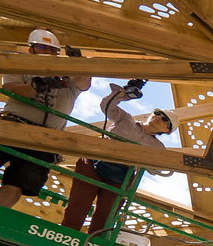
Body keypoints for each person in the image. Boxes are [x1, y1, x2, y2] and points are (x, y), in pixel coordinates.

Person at [0, 29, 92, 208]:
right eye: (42, 47)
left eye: (53, 50)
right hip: (13, 125)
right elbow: (14, 89)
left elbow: (84, 81)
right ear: (31, 50)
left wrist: (79, 64)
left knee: (18, 184)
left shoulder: (67, 78)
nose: (48, 52)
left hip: (44, 139)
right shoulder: (19, 68)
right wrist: (38, 85)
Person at [61, 80, 172, 235]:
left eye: (165, 119)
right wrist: (120, 95)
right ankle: (64, 237)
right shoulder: (126, 119)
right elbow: (107, 107)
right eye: (157, 113)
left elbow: (159, 169)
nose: (159, 117)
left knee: (106, 216)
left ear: (167, 130)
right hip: (93, 164)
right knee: (78, 204)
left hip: (119, 178)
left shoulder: (158, 148)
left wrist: (136, 160)